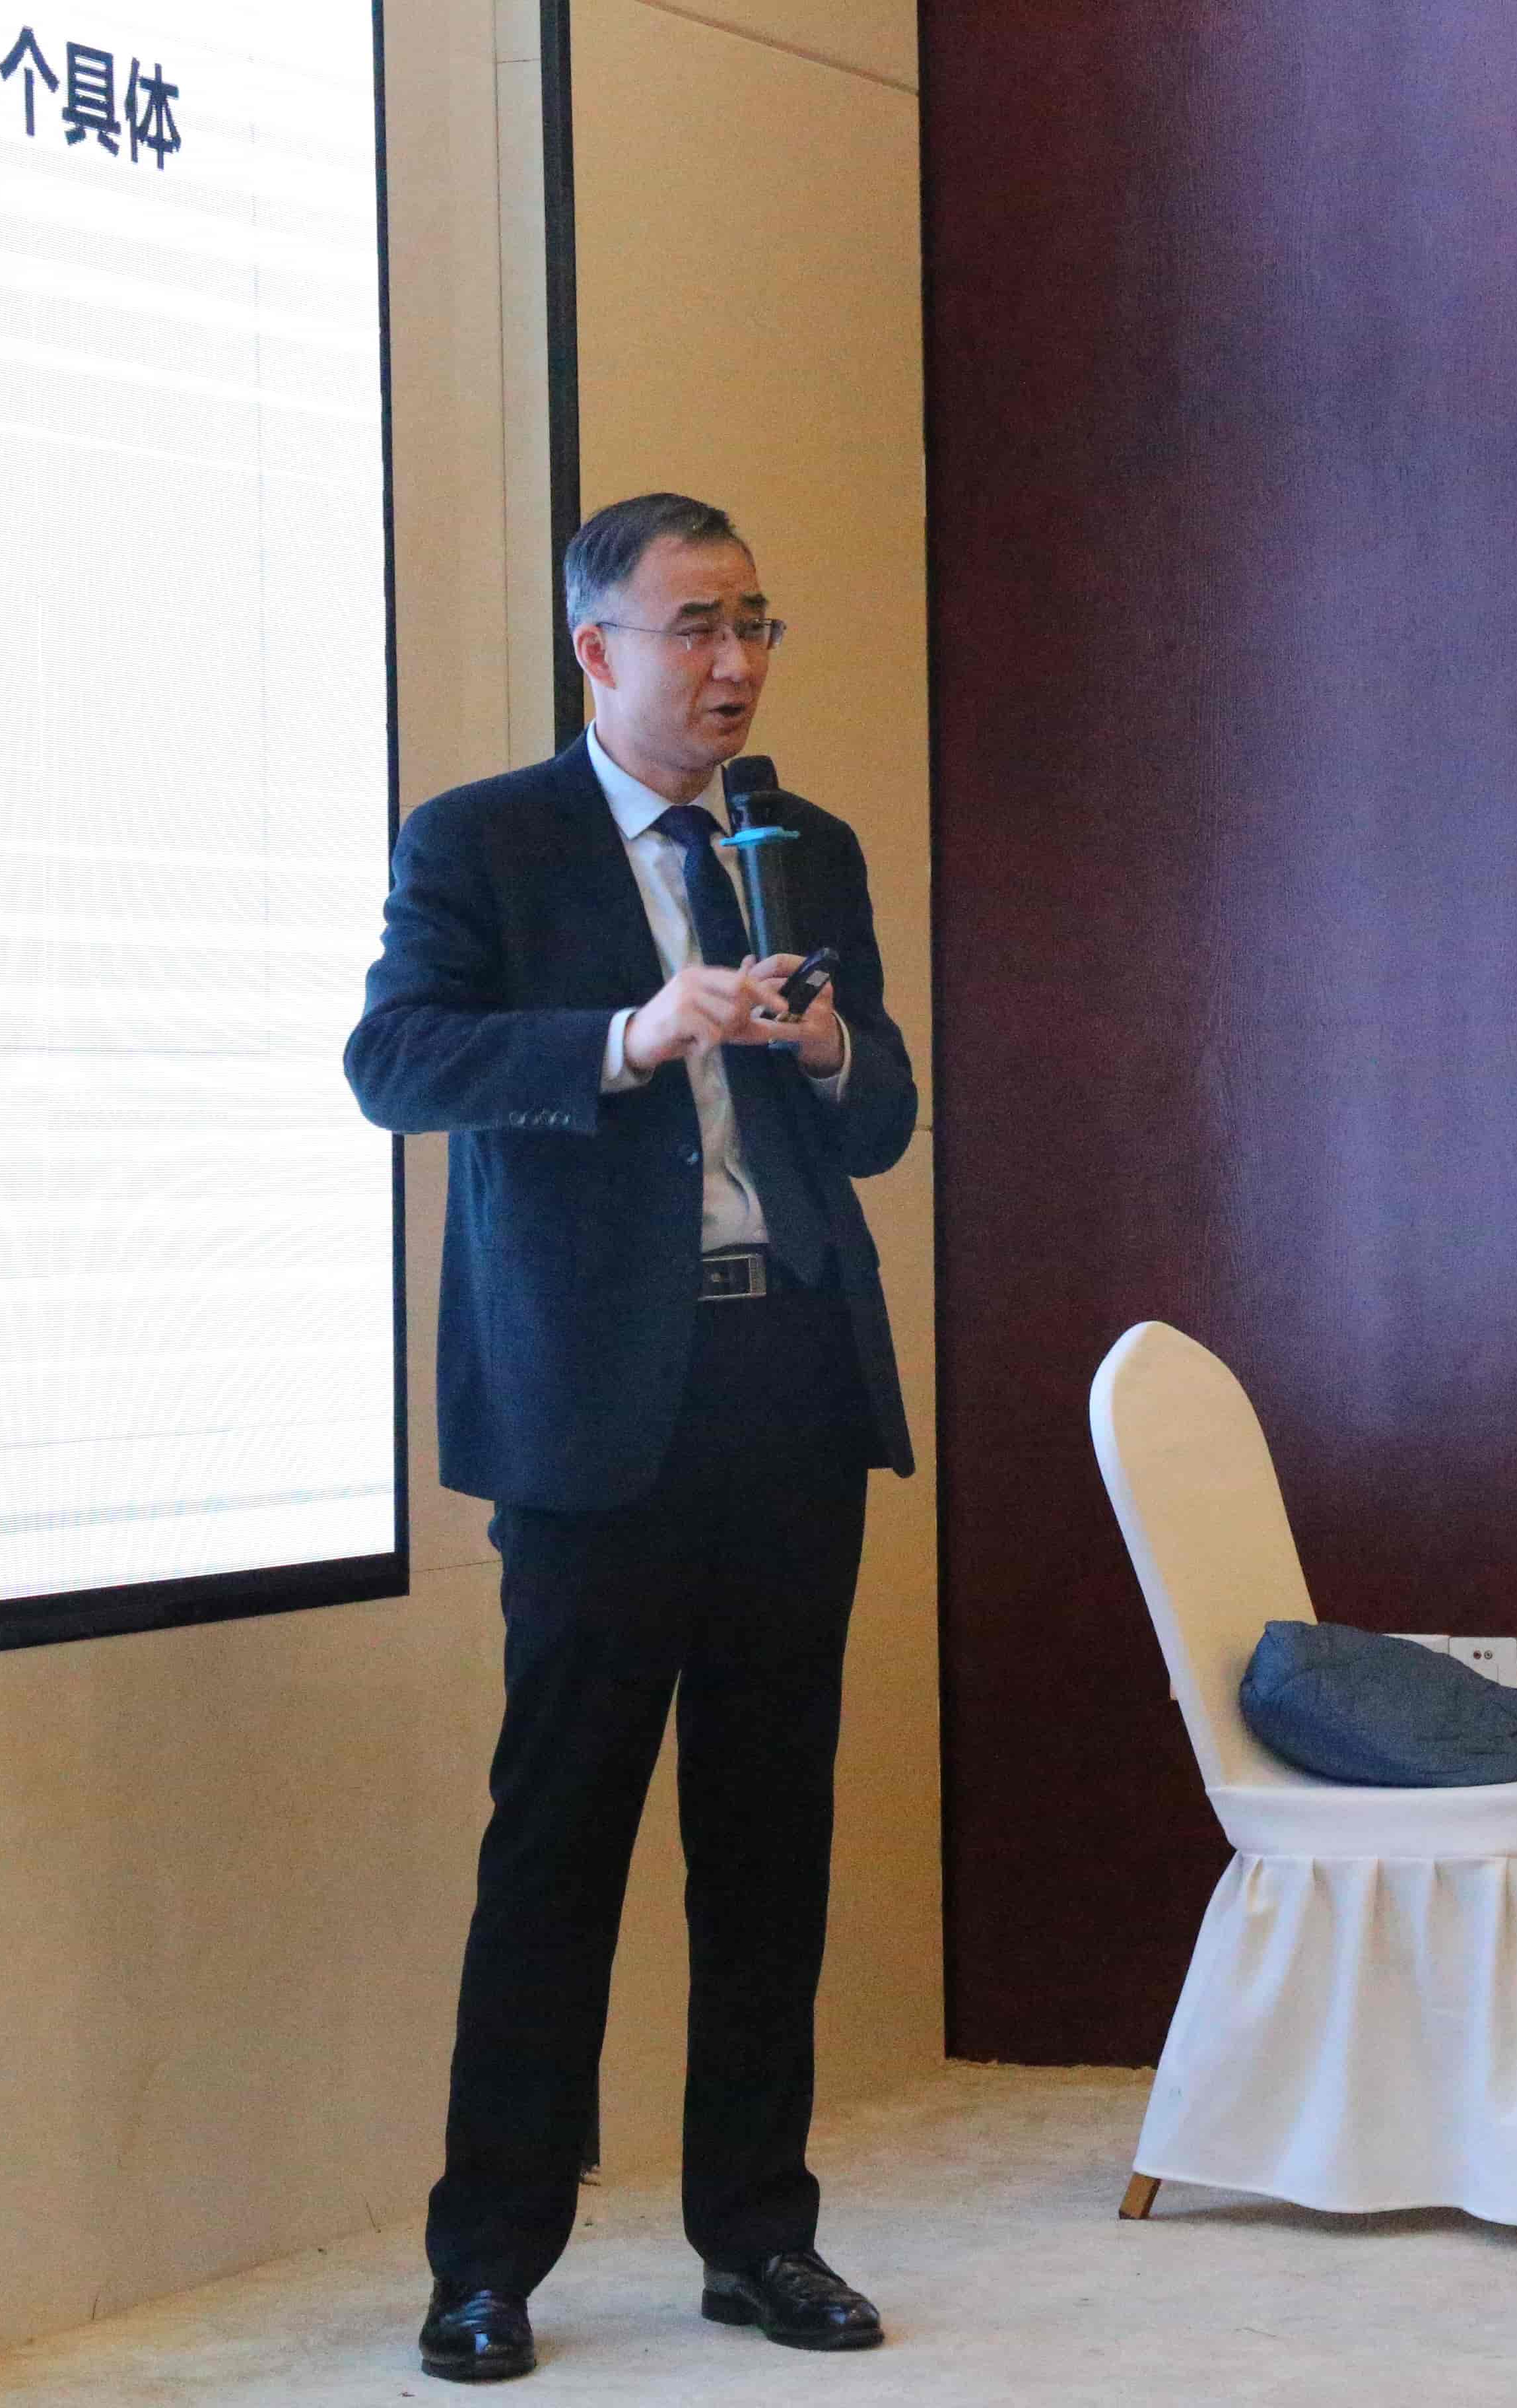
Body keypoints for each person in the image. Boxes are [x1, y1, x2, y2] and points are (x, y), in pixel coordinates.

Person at [345, 492, 916, 2385]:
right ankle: (488, 2262)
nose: (736, 662)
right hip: (594, 1414)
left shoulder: (802, 845)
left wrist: (828, 1048)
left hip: (788, 1387)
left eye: (756, 623)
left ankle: (760, 2238)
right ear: (598, 650)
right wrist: (630, 1032)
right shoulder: (485, 841)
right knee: (560, 1841)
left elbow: (878, 1118)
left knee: (771, 1841)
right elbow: (395, 1062)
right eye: (696, 627)